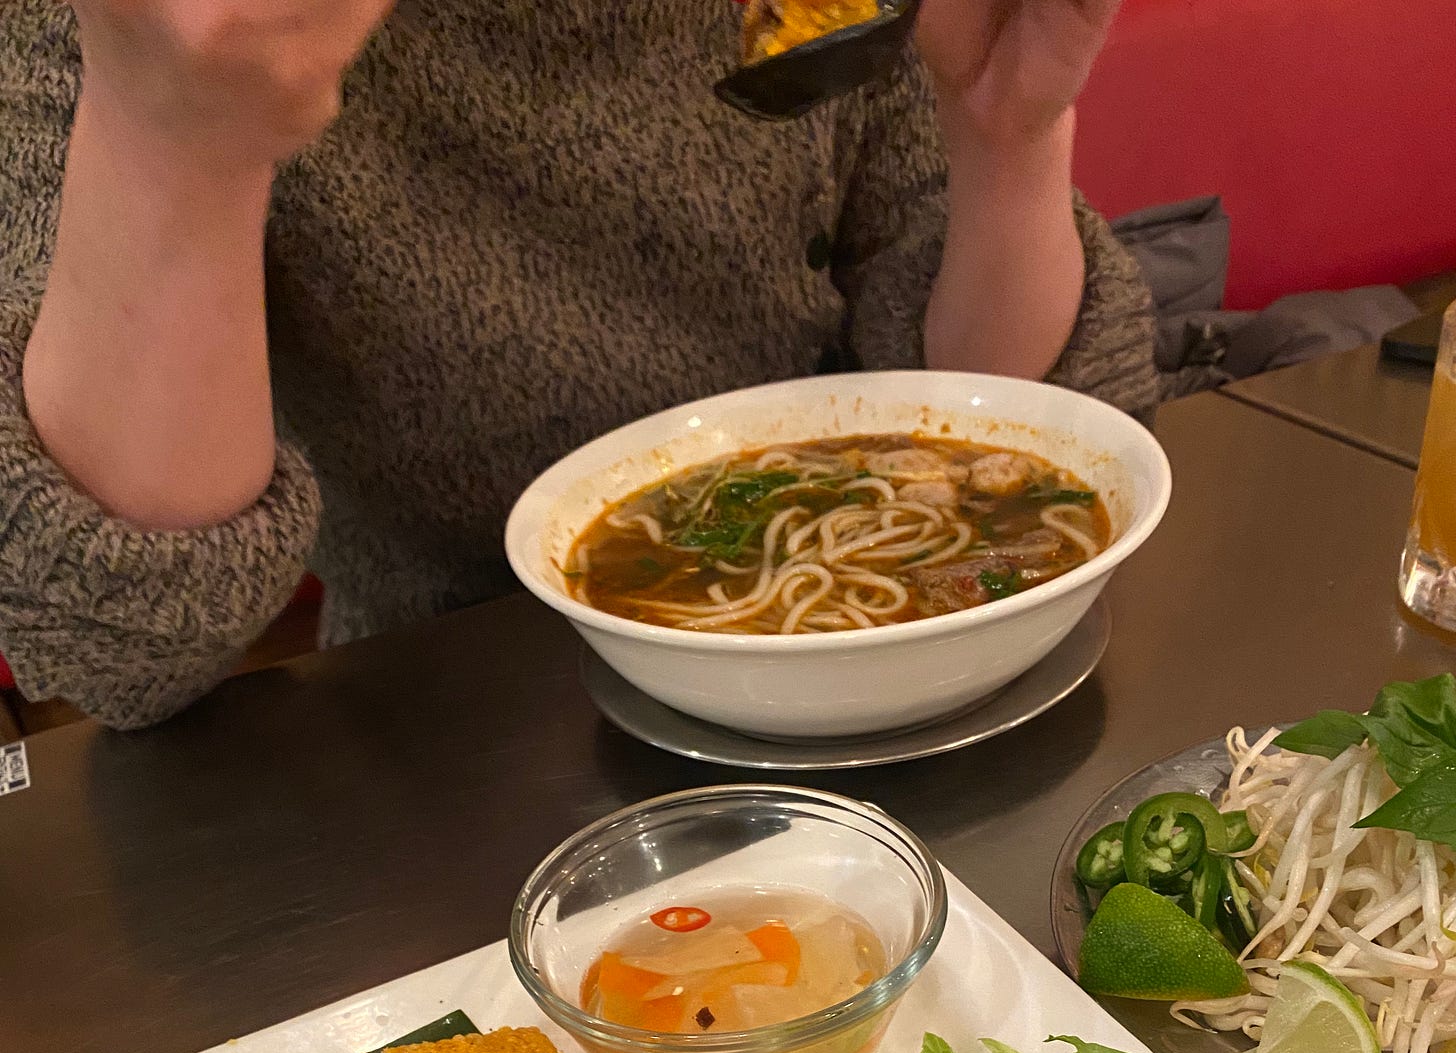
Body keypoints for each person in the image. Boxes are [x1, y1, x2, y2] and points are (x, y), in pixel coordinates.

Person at [0, 0, 1156, 729]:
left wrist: (1006, 137)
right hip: (455, 749)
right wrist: (176, 138)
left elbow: (1017, 433)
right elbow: (117, 649)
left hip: (906, 687)